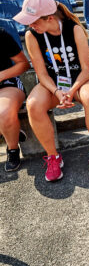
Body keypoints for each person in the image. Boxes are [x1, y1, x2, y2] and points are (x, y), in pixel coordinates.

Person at [14, 0, 89, 182]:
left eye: (34, 21)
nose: (30, 25)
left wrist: (71, 91)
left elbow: (87, 70)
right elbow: (42, 74)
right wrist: (57, 91)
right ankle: (53, 157)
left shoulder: (74, 29)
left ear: (49, 18)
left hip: (79, 81)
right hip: (52, 85)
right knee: (33, 105)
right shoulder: (31, 35)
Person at [0, 29, 30, 172]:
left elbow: (24, 64)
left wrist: (1, 75)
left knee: (4, 113)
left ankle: (12, 149)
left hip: (6, 83)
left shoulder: (1, 34)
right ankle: (11, 130)